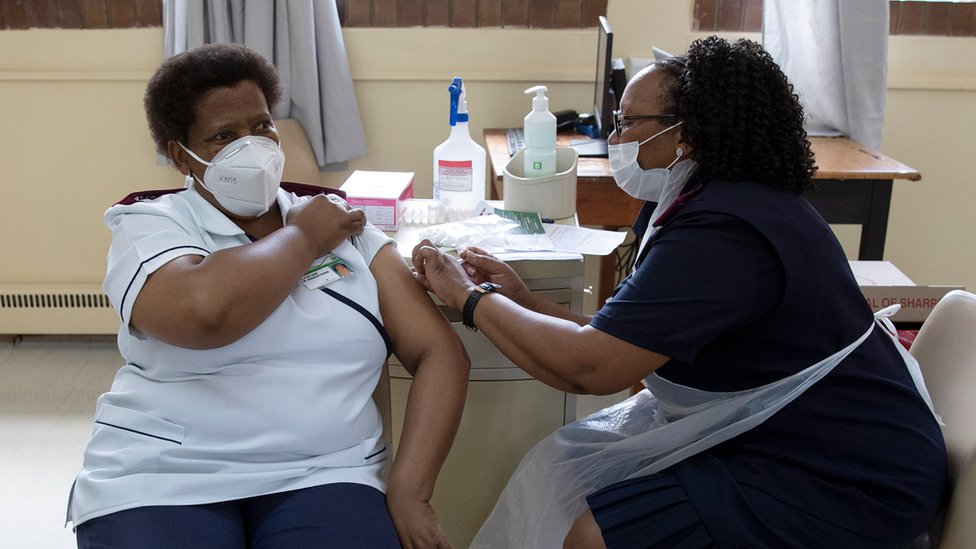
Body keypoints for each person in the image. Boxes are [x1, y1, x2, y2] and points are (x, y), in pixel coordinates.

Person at [411, 36, 946, 548]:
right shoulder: (709, 199)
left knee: (595, 535)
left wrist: (469, 299)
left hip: (850, 474)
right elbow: (629, 345)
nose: (615, 142)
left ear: (686, 133)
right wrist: (523, 301)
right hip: (795, 434)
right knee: (568, 472)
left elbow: (592, 369)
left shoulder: (725, 233)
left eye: (627, 125)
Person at [67, 43, 470, 549]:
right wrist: (303, 240)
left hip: (324, 472)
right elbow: (204, 315)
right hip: (165, 473)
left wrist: (411, 492)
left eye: (261, 126)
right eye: (223, 137)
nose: (251, 147)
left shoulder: (344, 226)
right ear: (180, 155)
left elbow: (439, 353)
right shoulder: (152, 224)